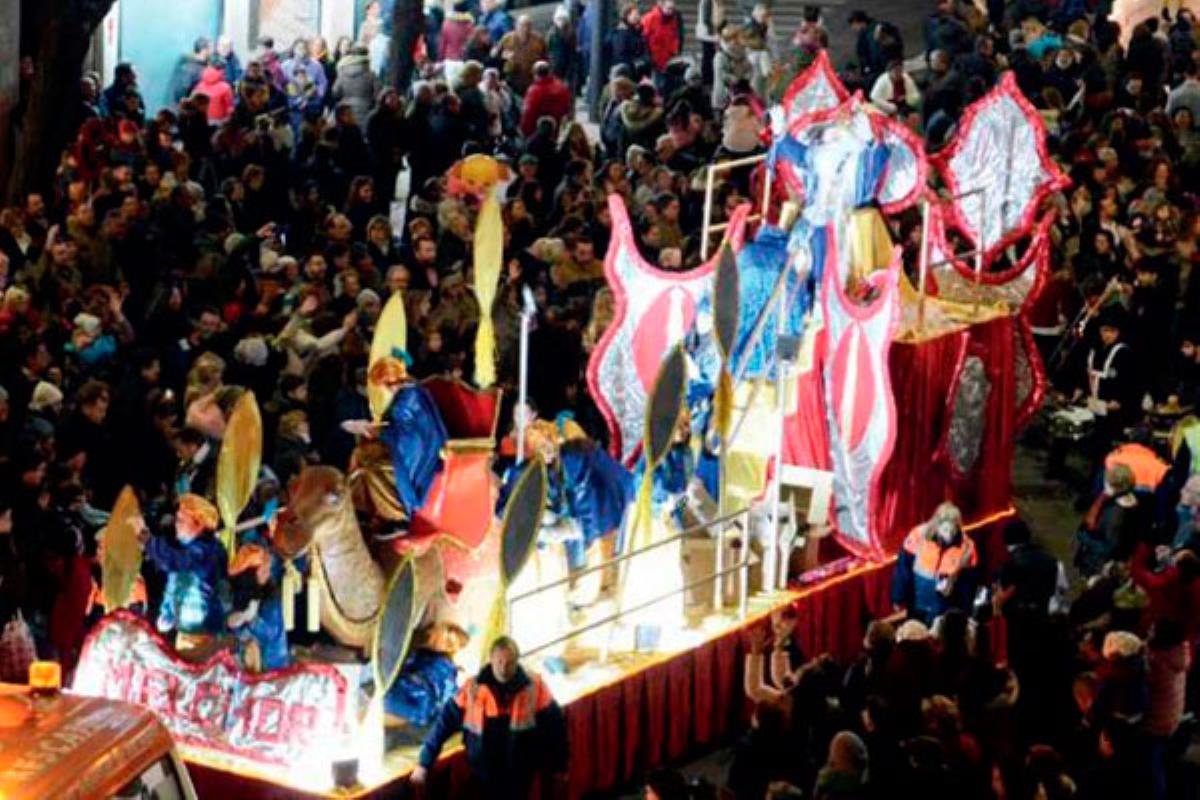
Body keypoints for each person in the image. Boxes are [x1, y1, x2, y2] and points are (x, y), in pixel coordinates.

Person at [414, 636, 568, 799]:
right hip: (482, 775)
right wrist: (424, 763)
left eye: (509, 663)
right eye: (499, 662)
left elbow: (556, 730)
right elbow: (443, 725)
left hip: (518, 779)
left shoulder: (535, 687)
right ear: (491, 659)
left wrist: (560, 768)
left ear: (517, 661)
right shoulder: (472, 689)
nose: (503, 668)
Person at [142, 493, 228, 656]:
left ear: (199, 524)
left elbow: (177, 561)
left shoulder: (207, 550)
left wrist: (150, 544)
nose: (176, 525)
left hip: (205, 635)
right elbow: (173, 584)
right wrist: (167, 611)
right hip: (184, 631)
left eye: (181, 521)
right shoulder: (186, 548)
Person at [368, 352, 448, 521]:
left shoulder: (408, 399)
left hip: (422, 448)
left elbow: (409, 438)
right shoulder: (411, 392)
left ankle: (398, 511)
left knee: (375, 467)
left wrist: (382, 433)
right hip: (422, 440)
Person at [891, 502, 978, 624]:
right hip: (917, 605)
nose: (947, 530)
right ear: (936, 522)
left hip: (944, 611)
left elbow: (968, 584)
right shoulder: (918, 536)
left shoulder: (967, 548)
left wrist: (965, 612)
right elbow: (903, 570)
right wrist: (898, 598)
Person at [521, 62, 572, 137]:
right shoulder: (562, 88)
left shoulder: (534, 91)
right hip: (558, 132)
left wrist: (524, 132)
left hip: (537, 134)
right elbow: (567, 108)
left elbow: (528, 113)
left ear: (535, 74)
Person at [640, 0, 684, 79]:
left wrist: (675, 54)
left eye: (672, 9)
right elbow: (644, 38)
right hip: (655, 59)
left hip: (668, 59)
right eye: (668, 9)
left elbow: (675, 38)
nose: (670, 11)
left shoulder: (673, 20)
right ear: (662, 7)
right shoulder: (650, 18)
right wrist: (648, 56)